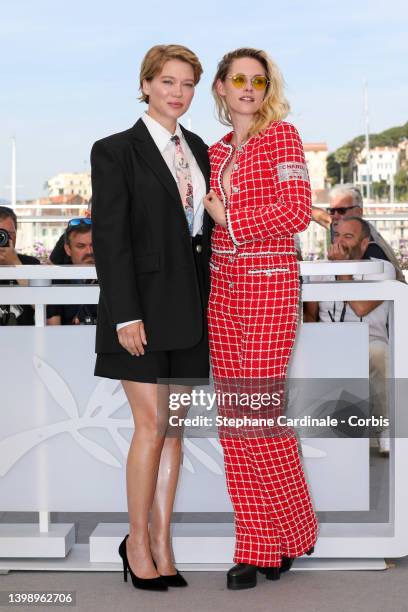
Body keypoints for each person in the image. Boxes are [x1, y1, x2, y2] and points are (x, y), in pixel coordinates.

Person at [91, 45, 211, 592]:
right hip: (137, 313)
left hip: (190, 309)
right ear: (145, 84)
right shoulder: (115, 151)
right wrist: (125, 315)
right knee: (152, 426)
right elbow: (111, 240)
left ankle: (163, 542)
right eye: (167, 81)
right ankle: (135, 541)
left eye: (187, 84)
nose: (178, 93)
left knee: (176, 432)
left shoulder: (201, 150)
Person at [203, 48, 318, 590]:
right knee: (234, 423)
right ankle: (257, 542)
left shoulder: (284, 137)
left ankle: (292, 530)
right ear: (222, 88)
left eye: (258, 79)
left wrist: (231, 219)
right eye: (239, 79)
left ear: (266, 88)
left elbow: (295, 212)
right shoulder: (216, 150)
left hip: (270, 285)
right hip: (222, 291)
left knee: (260, 415)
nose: (249, 87)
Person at [303, 217, 395, 456]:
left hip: (367, 340)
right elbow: (310, 316)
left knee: (379, 355)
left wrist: (343, 270)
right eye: (337, 235)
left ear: (365, 244)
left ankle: (383, 428)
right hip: (329, 340)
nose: (340, 241)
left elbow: (361, 307)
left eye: (348, 236)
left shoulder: (382, 269)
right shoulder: (320, 270)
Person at [312, 184, 405, 282]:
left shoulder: (373, 251)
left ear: (358, 212)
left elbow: (369, 295)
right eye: (332, 211)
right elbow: (322, 217)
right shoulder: (342, 226)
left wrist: (340, 265)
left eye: (341, 211)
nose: (335, 216)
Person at [47, 218, 97, 325]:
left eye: (93, 245)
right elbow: (53, 329)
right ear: (68, 250)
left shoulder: (112, 279)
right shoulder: (58, 282)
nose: (89, 251)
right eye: (81, 246)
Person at [0, 206, 40, 325]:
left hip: (26, 338)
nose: (3, 238)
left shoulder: (31, 264)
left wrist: (16, 263)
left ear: (16, 235)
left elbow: (41, 307)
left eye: (9, 234)